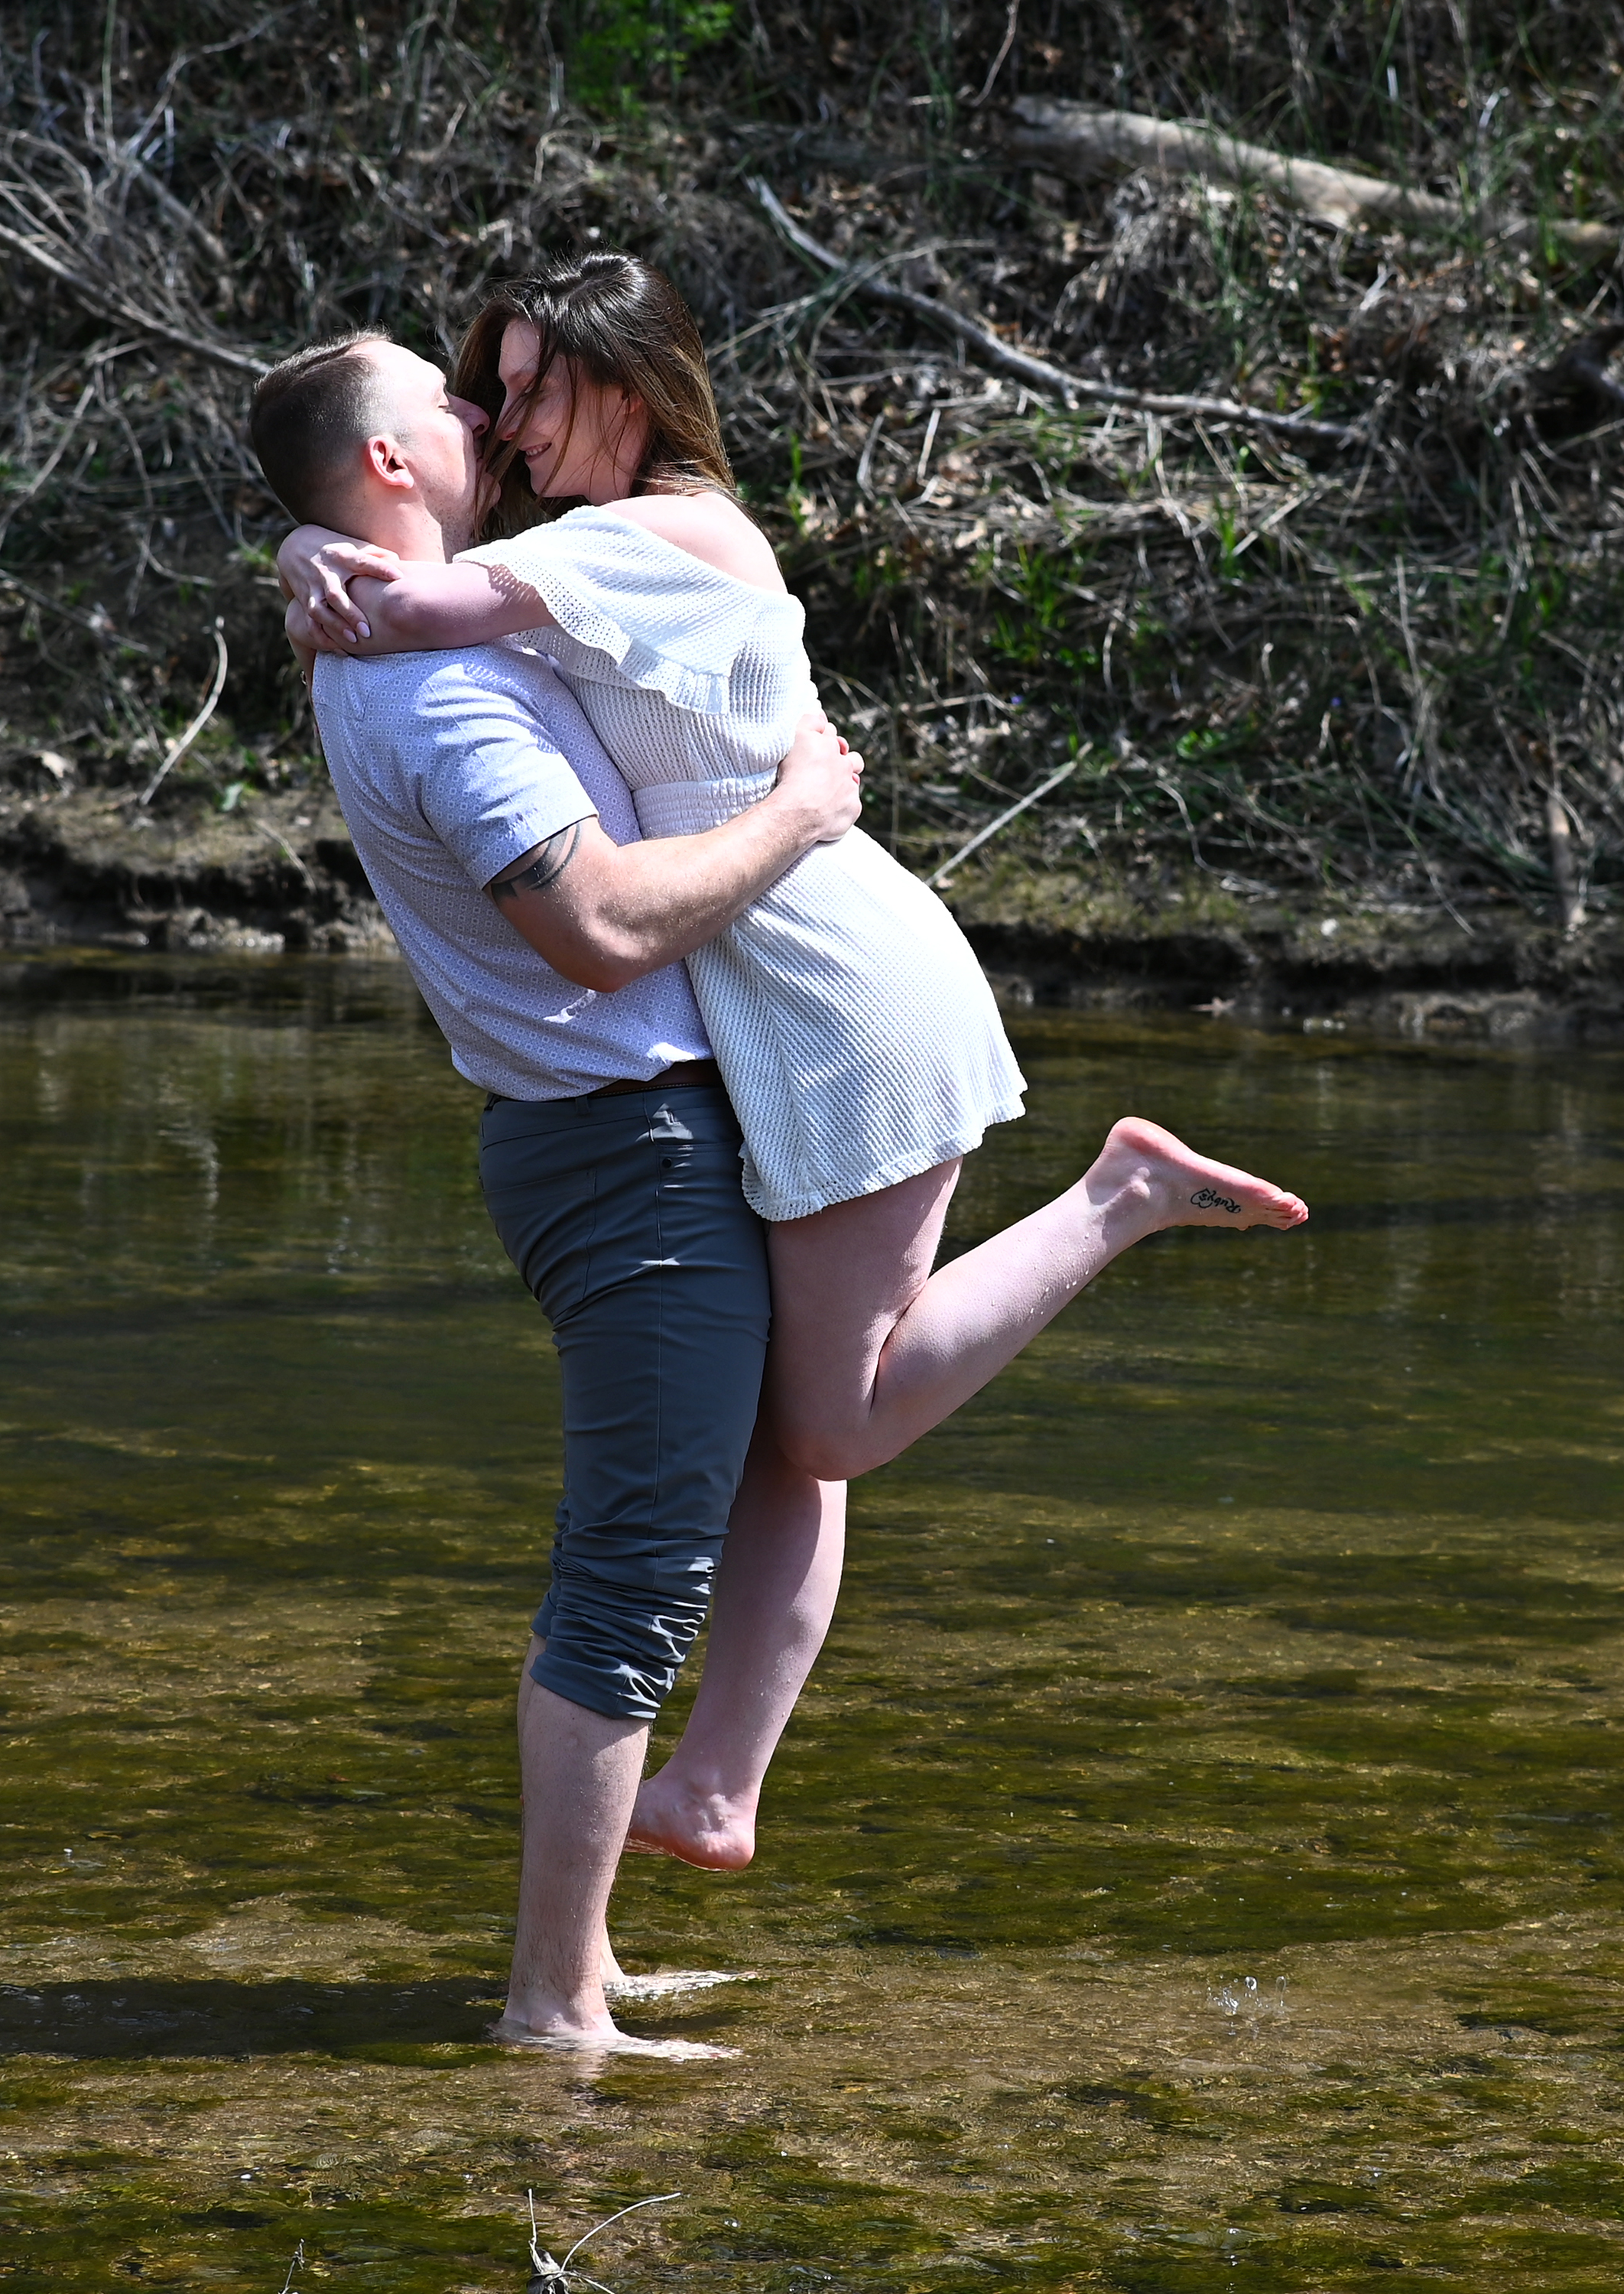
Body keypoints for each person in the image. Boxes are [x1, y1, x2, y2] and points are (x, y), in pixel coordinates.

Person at [278, 252, 1309, 1507]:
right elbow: (412, 579)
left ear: (624, 389)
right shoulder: (580, 549)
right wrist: (306, 541)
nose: (502, 420)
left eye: (532, 390)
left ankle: (1121, 1195)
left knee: (832, 1429)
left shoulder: (653, 532)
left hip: (830, 972)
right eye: (491, 393)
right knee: (781, 1435)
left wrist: (311, 550)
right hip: (763, 975)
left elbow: (409, 611)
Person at [249, 332, 858, 2058]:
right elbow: (595, 929)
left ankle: (578, 1959)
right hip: (628, 1152)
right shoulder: (433, 690)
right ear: (388, 465)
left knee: (722, 1508)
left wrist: (299, 544)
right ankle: (554, 2003)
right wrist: (801, 815)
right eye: (446, 400)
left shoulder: (401, 618)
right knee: (630, 1581)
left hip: (617, 1136)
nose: (479, 410)